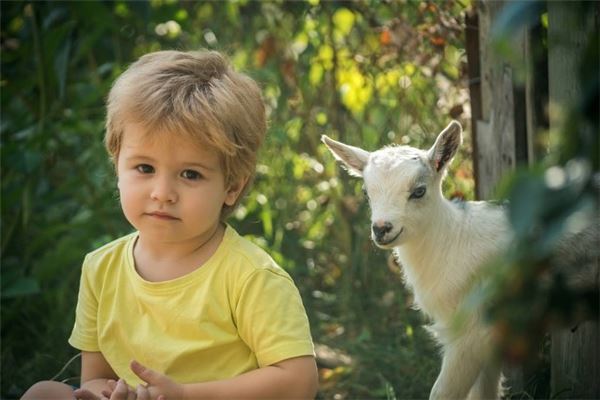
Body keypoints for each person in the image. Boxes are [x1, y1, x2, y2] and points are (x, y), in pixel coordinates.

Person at [21, 50, 318, 400]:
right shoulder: (101, 268)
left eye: (190, 174)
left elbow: (299, 382)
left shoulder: (250, 276)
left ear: (232, 186)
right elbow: (96, 376)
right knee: (43, 393)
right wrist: (104, 393)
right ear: (117, 164)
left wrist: (185, 395)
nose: (162, 194)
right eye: (144, 168)